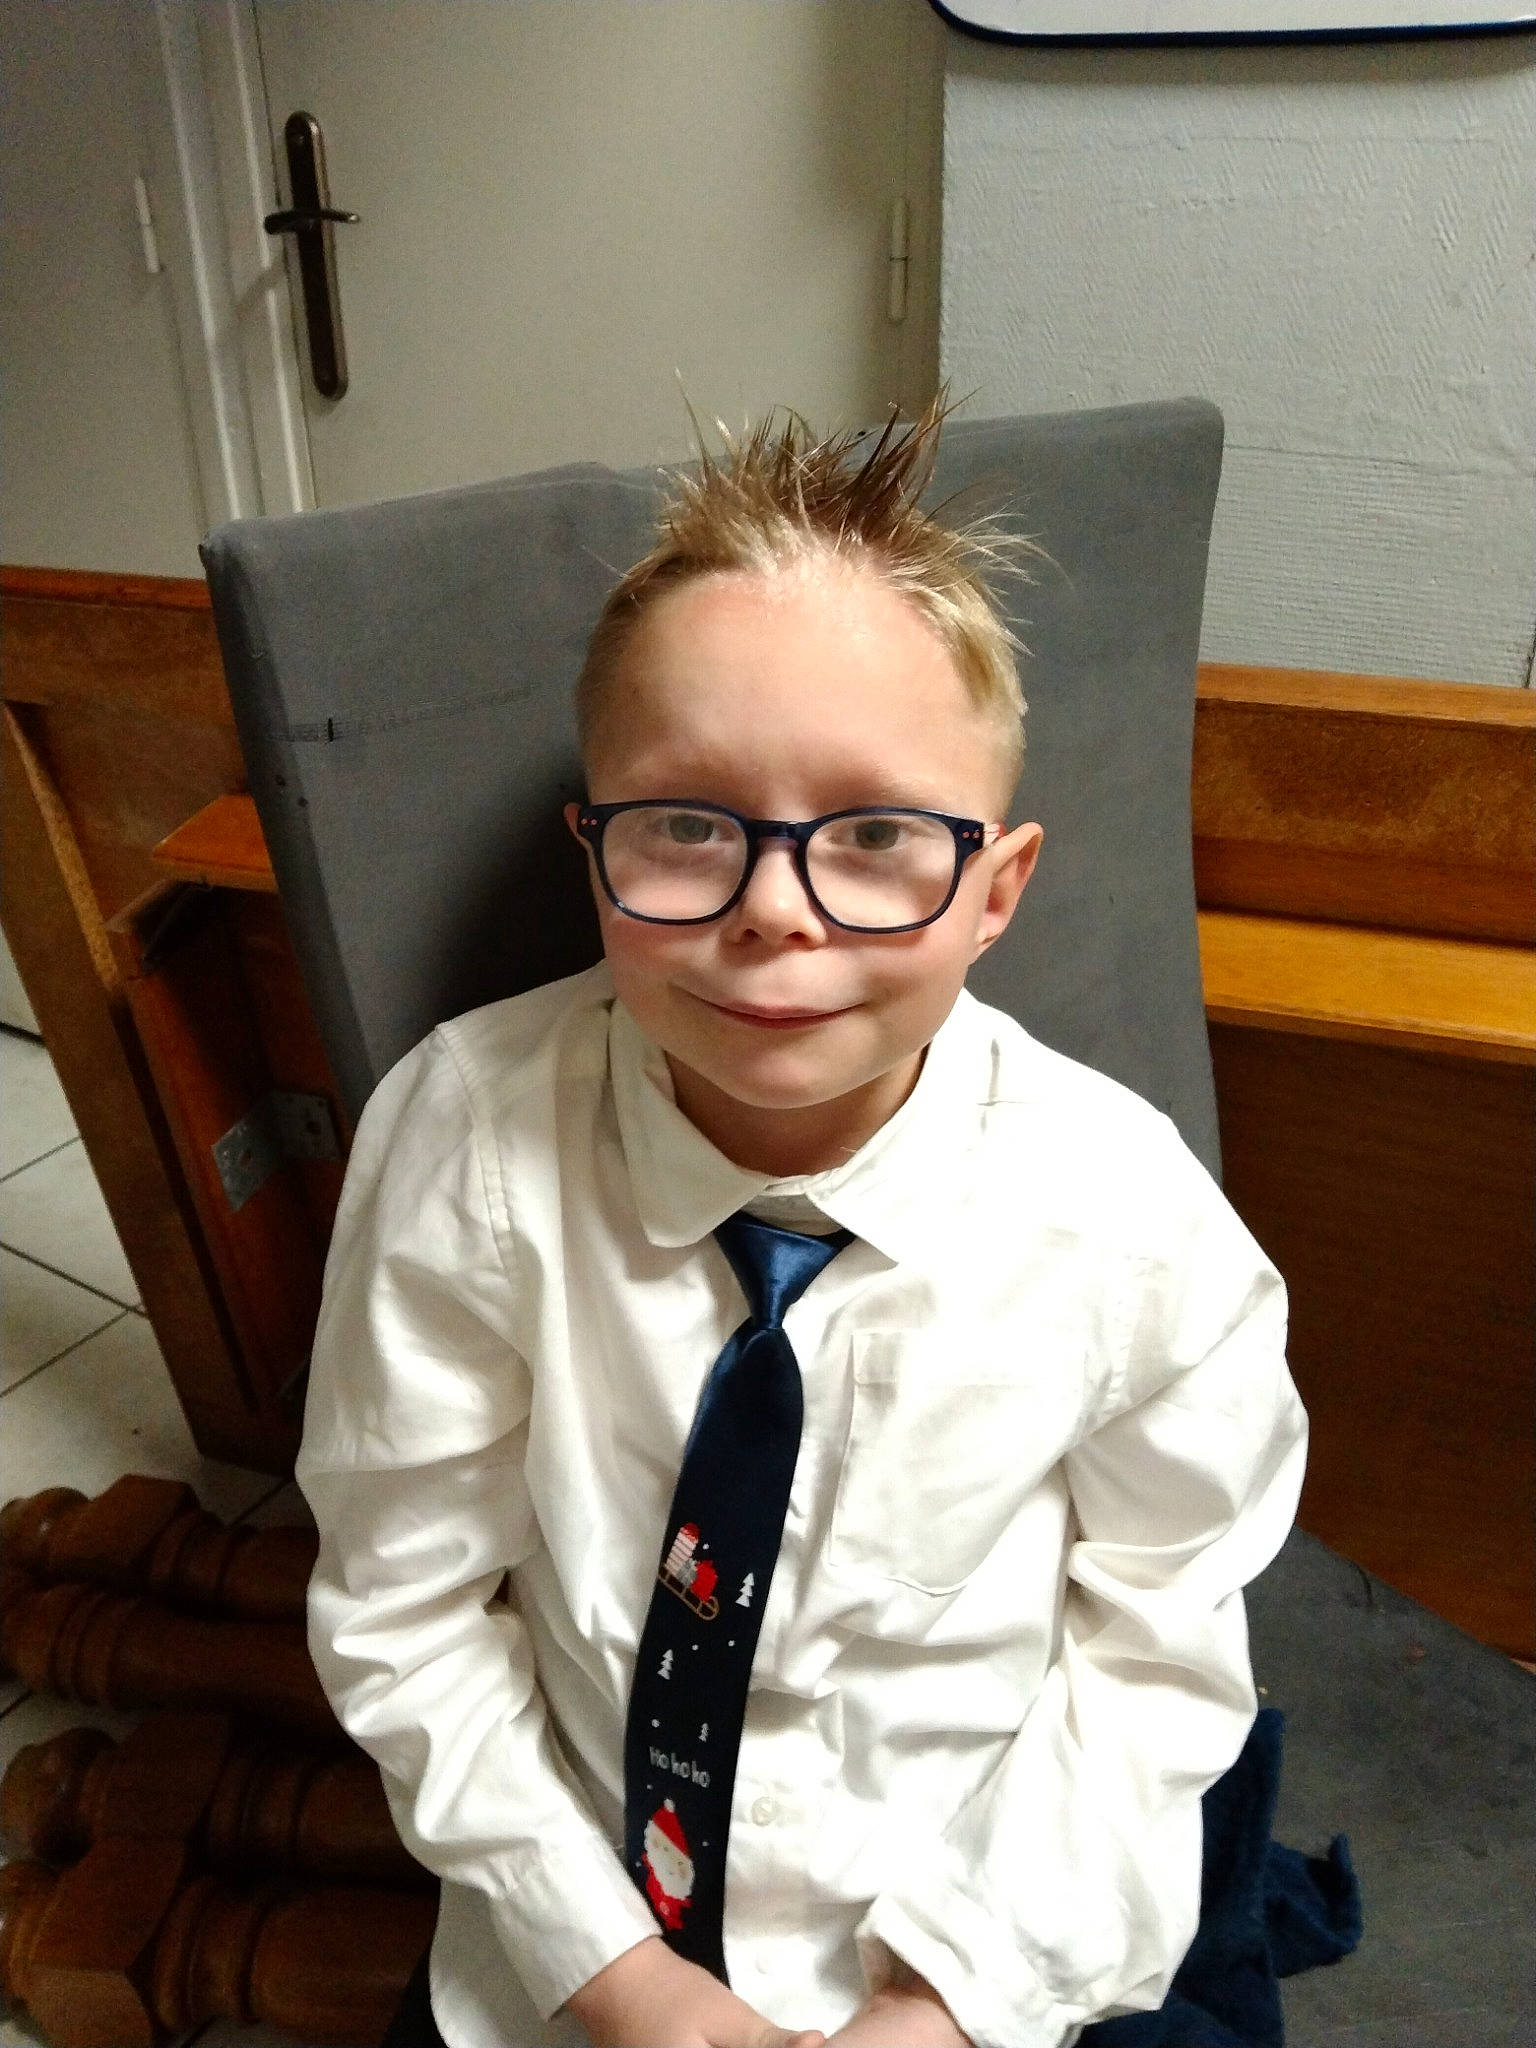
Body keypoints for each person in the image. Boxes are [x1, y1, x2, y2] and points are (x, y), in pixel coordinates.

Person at [295, 396, 1307, 2048]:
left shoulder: (1131, 1227)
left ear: (996, 891)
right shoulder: (468, 1141)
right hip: (577, 1935)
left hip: (993, 1928)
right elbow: (404, 1610)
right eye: (689, 825)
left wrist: (954, 2000)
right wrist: (617, 1981)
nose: (774, 909)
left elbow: (1159, 1646)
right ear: (595, 855)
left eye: (879, 836)